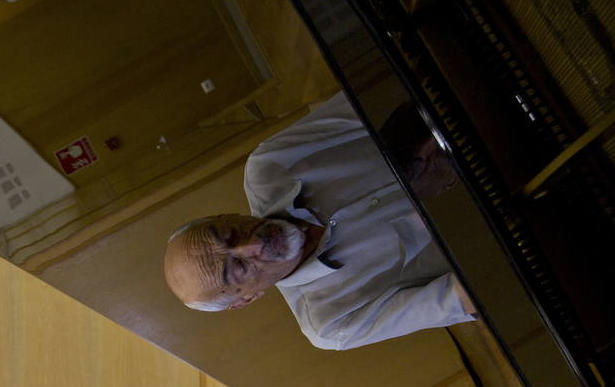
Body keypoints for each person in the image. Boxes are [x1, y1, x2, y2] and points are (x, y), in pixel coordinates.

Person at [164, 92, 476, 350]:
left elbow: (377, 91)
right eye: (239, 268)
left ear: (224, 215)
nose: (254, 244)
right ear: (246, 298)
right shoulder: (330, 323)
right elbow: (464, 297)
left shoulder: (270, 166)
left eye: (230, 233)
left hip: (467, 108)